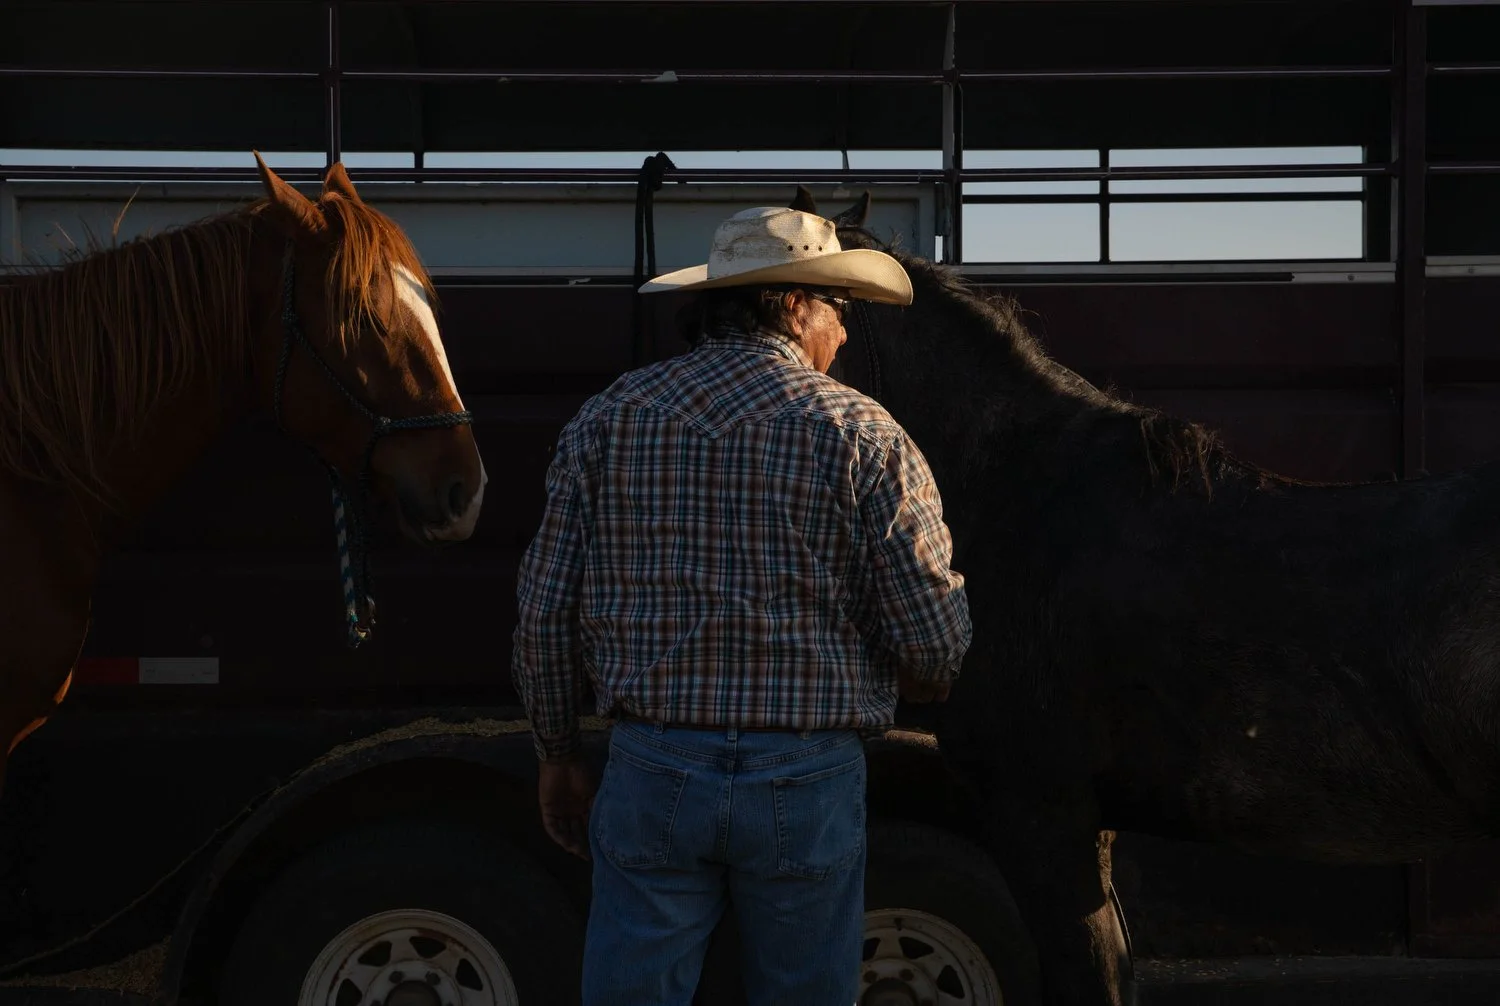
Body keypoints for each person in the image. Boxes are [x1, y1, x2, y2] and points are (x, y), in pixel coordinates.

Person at [512, 205, 972, 1006]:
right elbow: (935, 640)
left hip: (653, 765)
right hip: (808, 774)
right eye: (837, 308)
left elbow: (545, 611)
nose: (845, 333)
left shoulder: (610, 418)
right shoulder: (865, 433)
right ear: (794, 305)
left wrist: (557, 750)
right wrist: (916, 679)